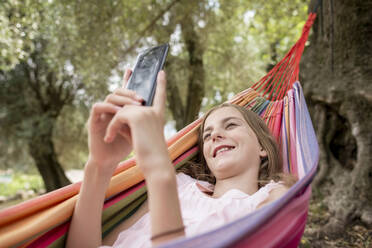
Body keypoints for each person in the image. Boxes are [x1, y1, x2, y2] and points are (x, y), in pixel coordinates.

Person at [66, 69, 296, 248]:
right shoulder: (180, 186)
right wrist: (99, 166)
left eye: (231, 125)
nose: (215, 135)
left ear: (262, 146)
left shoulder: (271, 197)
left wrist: (158, 169)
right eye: (207, 135)